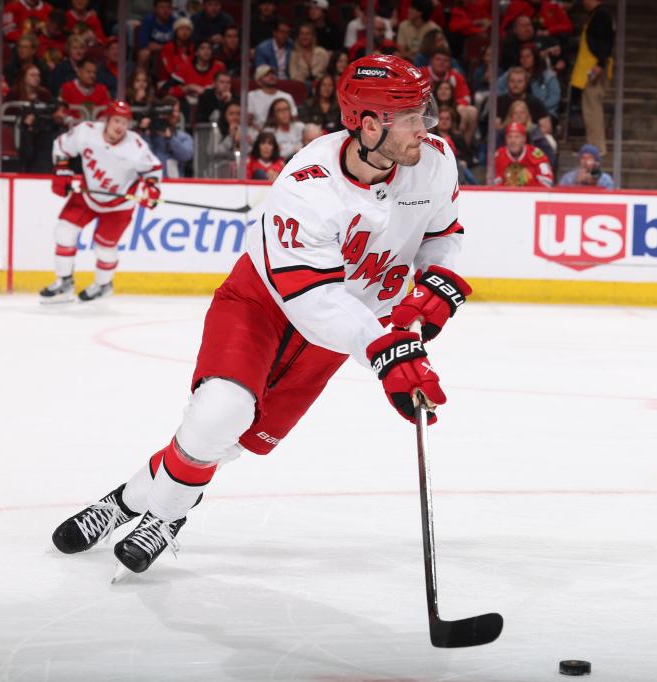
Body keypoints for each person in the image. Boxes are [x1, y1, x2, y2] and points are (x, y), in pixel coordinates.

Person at [50, 55, 471, 578]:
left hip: (339, 330)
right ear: (368, 124)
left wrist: (433, 289)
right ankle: (167, 515)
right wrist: (385, 353)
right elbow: (311, 298)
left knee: (236, 439)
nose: (427, 126)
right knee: (220, 412)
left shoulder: (434, 160)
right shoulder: (308, 184)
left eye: (424, 111)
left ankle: (122, 502)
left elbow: (443, 235)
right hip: (264, 305)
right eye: (411, 116)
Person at [39, 100, 162, 304]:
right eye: (116, 120)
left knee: (104, 248)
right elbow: (61, 147)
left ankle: (104, 285)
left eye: (124, 122)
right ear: (106, 120)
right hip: (88, 194)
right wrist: (62, 171)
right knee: (64, 231)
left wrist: (151, 189)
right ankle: (64, 281)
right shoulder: (85, 132)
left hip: (119, 204)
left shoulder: (136, 147)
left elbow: (153, 170)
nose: (119, 127)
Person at [570, 0, 613, 157]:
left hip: (594, 68)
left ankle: (597, 149)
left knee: (593, 110)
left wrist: (600, 64)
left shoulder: (601, 15)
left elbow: (606, 41)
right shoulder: (595, 15)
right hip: (590, 68)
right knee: (589, 110)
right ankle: (592, 147)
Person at [498, 45, 560, 119]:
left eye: (528, 56)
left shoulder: (548, 76)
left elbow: (555, 97)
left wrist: (538, 108)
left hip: (543, 113)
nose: (525, 59)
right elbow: (497, 88)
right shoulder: (511, 73)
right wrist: (508, 104)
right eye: (522, 57)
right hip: (514, 112)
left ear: (534, 58)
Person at [141, 96, 194, 177]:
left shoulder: (182, 137)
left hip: (173, 185)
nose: (175, 114)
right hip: (150, 181)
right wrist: (144, 133)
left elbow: (186, 155)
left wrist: (170, 138)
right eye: (172, 111)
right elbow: (141, 156)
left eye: (176, 111)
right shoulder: (148, 135)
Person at [493, 121, 554, 187]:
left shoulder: (536, 155)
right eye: (509, 137)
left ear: (524, 139)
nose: (513, 141)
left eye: (517, 137)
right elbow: (492, 183)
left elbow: (547, 182)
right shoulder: (498, 155)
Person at [247, 64, 297, 134]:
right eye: (266, 75)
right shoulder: (251, 96)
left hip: (283, 132)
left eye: (272, 73)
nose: (271, 76)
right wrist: (262, 132)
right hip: (258, 132)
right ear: (258, 81)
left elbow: (294, 118)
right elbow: (248, 120)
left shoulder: (287, 96)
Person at [265, 96, 305, 161]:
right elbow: (274, 154)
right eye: (279, 110)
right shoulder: (269, 133)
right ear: (273, 114)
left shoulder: (301, 127)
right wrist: (294, 149)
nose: (284, 113)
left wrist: (284, 148)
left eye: (286, 109)